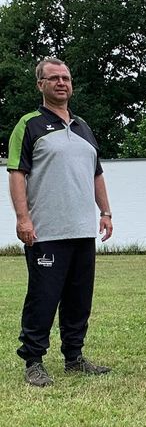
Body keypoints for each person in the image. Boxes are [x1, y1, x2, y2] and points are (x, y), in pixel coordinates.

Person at [7, 58, 113, 387]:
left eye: (66, 77)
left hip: (82, 230)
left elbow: (97, 174)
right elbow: (16, 174)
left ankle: (74, 357)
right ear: (40, 85)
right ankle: (34, 361)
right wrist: (22, 218)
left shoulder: (83, 127)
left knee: (79, 298)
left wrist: (106, 212)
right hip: (46, 232)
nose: (61, 83)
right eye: (53, 78)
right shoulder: (29, 125)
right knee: (43, 296)